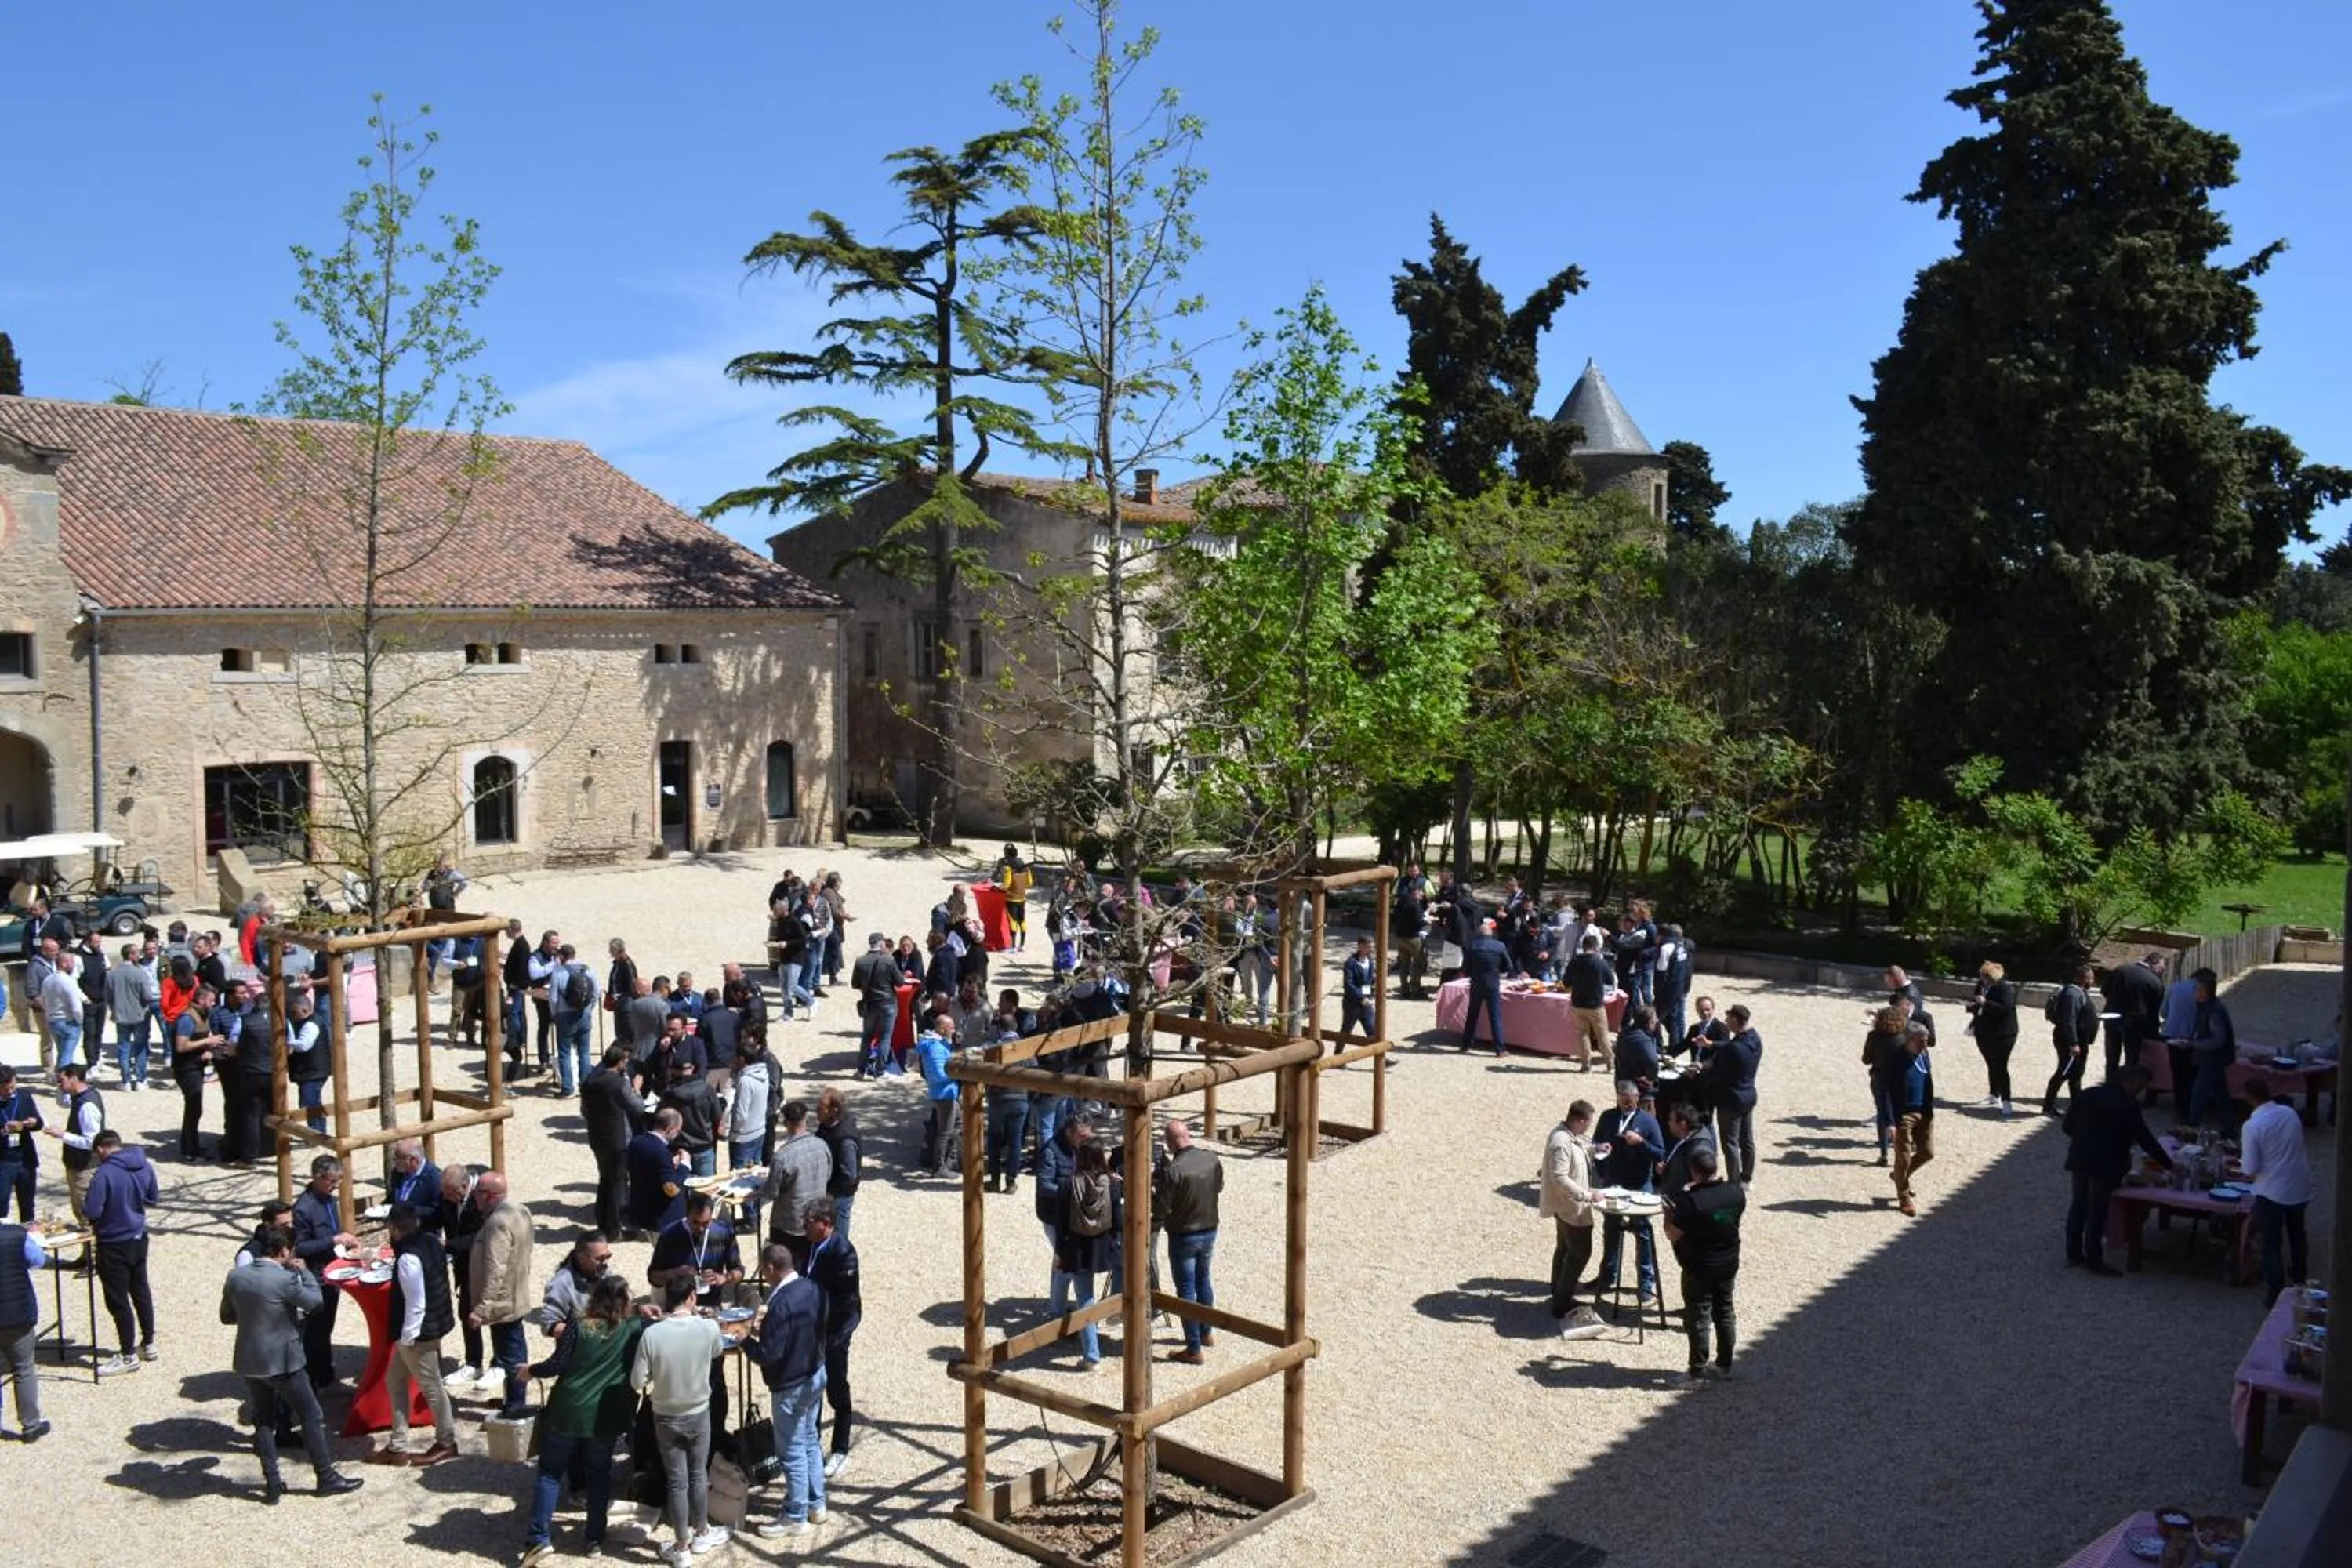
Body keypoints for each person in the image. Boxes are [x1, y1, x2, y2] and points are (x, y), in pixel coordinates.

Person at [220, 1225, 365, 1503]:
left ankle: (272, 1483)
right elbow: (315, 1304)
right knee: (311, 1415)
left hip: (250, 1360)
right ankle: (325, 1476)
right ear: (283, 1251)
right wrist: (307, 1274)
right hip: (283, 1360)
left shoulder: (236, 1277)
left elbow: (227, 1316)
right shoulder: (284, 1280)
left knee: (263, 1419)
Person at [520, 1274, 644, 1565]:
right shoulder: (635, 1328)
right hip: (606, 1415)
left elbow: (557, 1365)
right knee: (599, 1474)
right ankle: (594, 1538)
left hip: (568, 1410)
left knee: (550, 1474)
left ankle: (539, 1538)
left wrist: (530, 1370)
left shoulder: (578, 1325)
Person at [631, 1274, 731, 1566]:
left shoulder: (652, 1334)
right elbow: (716, 1353)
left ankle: (682, 1545)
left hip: (665, 1413)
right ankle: (702, 1531)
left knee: (677, 1479)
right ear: (691, 1297)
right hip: (699, 1410)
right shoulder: (708, 1328)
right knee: (698, 1473)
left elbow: (638, 1381)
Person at [751, 1242, 829, 1542]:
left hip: (791, 1385)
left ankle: (795, 1515)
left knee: (792, 1450)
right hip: (815, 1374)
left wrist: (745, 1338)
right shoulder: (813, 1288)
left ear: (771, 1268)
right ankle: (816, 1503)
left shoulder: (781, 1303)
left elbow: (767, 1354)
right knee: (810, 1440)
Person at [2063, 1065, 2172, 1273]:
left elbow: (2067, 1127)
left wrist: (2085, 1138)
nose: (2140, 1092)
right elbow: (2145, 1138)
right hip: (2106, 1163)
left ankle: (2074, 1253)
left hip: (2080, 1157)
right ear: (2129, 1082)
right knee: (2097, 1210)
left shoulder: (2086, 1095)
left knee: (2079, 1205)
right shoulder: (2127, 1104)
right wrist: (2169, 1165)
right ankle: (2094, 1259)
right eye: (2140, 1087)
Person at [378, 1202, 460, 1465]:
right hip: (433, 1325)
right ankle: (397, 1443)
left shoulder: (408, 1258)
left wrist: (407, 1339)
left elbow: (416, 1303)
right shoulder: (432, 1242)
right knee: (394, 1380)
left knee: (432, 1387)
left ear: (393, 1228)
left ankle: (446, 1442)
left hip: (418, 1335)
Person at [1663, 1143, 1744, 1384]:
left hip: (1699, 1266)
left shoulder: (1691, 1201)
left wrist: (1668, 1214)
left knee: (1698, 1316)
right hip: (1728, 1261)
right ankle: (1724, 1365)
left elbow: (1673, 1234)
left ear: (1694, 1172)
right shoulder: (1735, 1193)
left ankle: (1696, 1372)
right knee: (1725, 1312)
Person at [84, 1130, 159, 1373]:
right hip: (139, 1237)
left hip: (112, 1242)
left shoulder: (104, 1173)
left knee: (118, 1299)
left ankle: (127, 1355)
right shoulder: (144, 1165)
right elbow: (153, 1198)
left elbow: (93, 1210)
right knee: (141, 1291)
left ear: (101, 1149)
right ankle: (148, 1343)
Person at [2238, 1078, 2312, 1307]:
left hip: (2272, 1191)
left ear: (2250, 1098)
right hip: (2298, 1184)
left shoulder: (2253, 1125)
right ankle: (2300, 1280)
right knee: (2297, 1234)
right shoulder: (2289, 1114)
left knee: (2272, 1243)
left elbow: (2250, 1168)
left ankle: (2275, 1290)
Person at [469, 1171, 537, 1416]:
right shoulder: (521, 1211)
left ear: (488, 1196)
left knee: (511, 1358)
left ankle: (515, 1407)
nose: (474, 1197)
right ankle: (513, 1398)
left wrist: (482, 1308)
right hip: (516, 1295)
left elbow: (495, 1269)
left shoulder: (498, 1222)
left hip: (503, 1303)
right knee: (513, 1352)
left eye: (477, 1192)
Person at [1156, 1119, 1222, 1363]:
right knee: (1204, 1280)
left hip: (1184, 1234)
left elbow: (1162, 1207)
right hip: (1209, 1229)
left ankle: (1193, 1349)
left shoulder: (1174, 1170)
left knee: (1186, 1289)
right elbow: (1219, 1187)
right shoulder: (1212, 1159)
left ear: (1171, 1143)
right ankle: (1206, 1333)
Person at [802, 1198, 860, 1477]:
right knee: (811, 1390)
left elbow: (846, 1304)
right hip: (812, 1331)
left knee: (837, 1389)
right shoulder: (811, 1245)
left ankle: (840, 1449)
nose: (803, 1228)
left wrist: (832, 1338)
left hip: (835, 1333)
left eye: (808, 1223)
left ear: (825, 1225)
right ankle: (812, 1443)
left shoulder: (843, 1253)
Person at [1592, 1081, 1664, 1305]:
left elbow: (1660, 1152)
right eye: (1621, 1098)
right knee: (1611, 1229)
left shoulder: (1648, 1121)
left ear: (1637, 1097)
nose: (1625, 1102)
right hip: (1613, 1184)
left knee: (1642, 1232)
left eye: (1629, 1099)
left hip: (1639, 1185)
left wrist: (1641, 1143)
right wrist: (1603, 1169)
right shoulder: (1607, 1117)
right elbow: (1596, 1144)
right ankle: (1608, 1276)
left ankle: (1646, 1284)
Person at [1540, 1099, 1605, 1339]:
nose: (1588, 1128)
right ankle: (1562, 1300)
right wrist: (1586, 1195)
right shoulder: (1561, 1142)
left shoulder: (1566, 1135)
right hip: (1571, 1207)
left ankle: (1558, 1291)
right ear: (1580, 1121)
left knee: (1564, 1249)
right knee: (1578, 1253)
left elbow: (1578, 1148)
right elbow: (1560, 1176)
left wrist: (1595, 1150)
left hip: (1567, 1206)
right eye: (1587, 1123)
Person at [1054, 1142, 1121, 1367]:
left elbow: (1061, 1225)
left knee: (1085, 1299)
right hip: (1104, 1247)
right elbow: (1118, 1220)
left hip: (1078, 1248)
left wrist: (1060, 1254)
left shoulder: (1067, 1185)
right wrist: (1115, 1241)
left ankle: (1092, 1355)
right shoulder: (1112, 1184)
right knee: (1124, 1275)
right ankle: (1116, 1314)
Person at [581, 1045, 645, 1242]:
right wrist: (637, 1090)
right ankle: (614, 1230)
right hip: (618, 1140)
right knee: (618, 1184)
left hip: (597, 1137)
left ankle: (602, 1222)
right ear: (620, 1063)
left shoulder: (590, 1081)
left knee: (604, 1181)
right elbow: (637, 1108)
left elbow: (584, 1111)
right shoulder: (619, 1084)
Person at [1876, 1022, 1936, 1216]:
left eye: (1926, 1041)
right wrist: (1890, 1122)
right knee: (1902, 1157)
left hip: (1924, 1112)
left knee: (1927, 1153)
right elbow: (1883, 1091)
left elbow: (1927, 1081)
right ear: (1910, 1040)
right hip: (1902, 1115)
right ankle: (1904, 1197)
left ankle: (1899, 1177)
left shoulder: (1924, 1055)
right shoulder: (1894, 1060)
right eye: (1922, 1042)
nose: (1925, 1045)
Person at [764, 1100, 833, 1269]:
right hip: (817, 1220)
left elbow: (772, 1192)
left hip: (790, 1224)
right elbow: (828, 1176)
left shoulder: (783, 1156)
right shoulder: (822, 1146)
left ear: (786, 1123)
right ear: (805, 1119)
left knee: (786, 1268)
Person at [650, 1192, 742, 1311]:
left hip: (710, 1307)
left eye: (705, 1223)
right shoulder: (670, 1235)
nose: (700, 1228)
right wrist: (674, 1273)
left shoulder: (724, 1232)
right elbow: (653, 1276)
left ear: (712, 1216)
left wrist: (724, 1277)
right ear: (686, 1215)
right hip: (679, 1308)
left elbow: (739, 1270)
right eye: (695, 1222)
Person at [0, 1213, 47, 1441]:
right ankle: (30, 1425)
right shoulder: (17, 1236)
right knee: (24, 1368)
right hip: (18, 1314)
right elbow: (38, 1260)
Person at [1704, 1005, 1762, 1184]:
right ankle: (1746, 1178)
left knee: (1730, 1144)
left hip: (1730, 1101)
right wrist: (1712, 1044)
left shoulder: (1733, 1050)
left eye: (1729, 1019)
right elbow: (1732, 1044)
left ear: (1736, 1020)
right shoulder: (1755, 1039)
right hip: (1748, 1096)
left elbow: (1718, 1073)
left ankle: (1734, 1182)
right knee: (1747, 1140)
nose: (1726, 1022)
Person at [2040, 964, 2100, 1117]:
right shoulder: (2072, 995)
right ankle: (2048, 1105)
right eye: (2091, 977)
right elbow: (2069, 1019)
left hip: (2079, 1040)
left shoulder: (2079, 992)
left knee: (2076, 1073)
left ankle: (2077, 1106)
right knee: (2064, 1071)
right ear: (2083, 979)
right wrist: (2073, 1043)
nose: (2093, 980)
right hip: (2071, 1041)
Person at [2185, 967, 2238, 1129]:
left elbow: (2218, 1040)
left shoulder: (2214, 1010)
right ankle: (2229, 1129)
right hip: (2215, 1057)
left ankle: (2192, 1127)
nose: (2193, 991)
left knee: (2199, 1094)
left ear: (2204, 991)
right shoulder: (2207, 1006)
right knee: (2220, 1094)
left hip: (2213, 1058)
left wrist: (2193, 1044)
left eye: (2197, 988)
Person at [1966, 961, 2020, 1117]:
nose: (1980, 978)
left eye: (1983, 976)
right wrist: (1973, 1007)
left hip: (2003, 1033)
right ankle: (1993, 1094)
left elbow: (2005, 1008)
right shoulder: (1982, 986)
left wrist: (1986, 1003)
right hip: (1984, 1030)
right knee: (1991, 1062)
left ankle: (2007, 1101)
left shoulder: (2005, 988)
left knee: (2001, 1066)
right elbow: (1979, 1002)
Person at [2103, 951, 2168, 1079]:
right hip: (2136, 1026)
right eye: (2162, 967)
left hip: (2112, 1019)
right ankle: (2127, 1090)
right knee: (2132, 1059)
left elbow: (2105, 991)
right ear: (2154, 963)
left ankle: (2109, 1087)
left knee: (2111, 1058)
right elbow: (2154, 1011)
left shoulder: (2120, 970)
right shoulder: (2155, 982)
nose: (2163, 971)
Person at [627, 1109, 691, 1241]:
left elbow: (650, 1170)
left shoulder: (636, 1142)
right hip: (664, 1217)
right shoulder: (661, 1152)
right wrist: (685, 1166)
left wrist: (670, 1165)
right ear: (669, 1129)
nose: (678, 1134)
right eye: (678, 1130)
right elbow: (671, 1189)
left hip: (644, 1211)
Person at [106, 940, 158, 1092]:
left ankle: (126, 1080)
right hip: (139, 1015)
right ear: (130, 955)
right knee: (140, 1047)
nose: (139, 955)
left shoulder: (112, 974)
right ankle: (140, 1080)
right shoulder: (140, 972)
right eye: (136, 952)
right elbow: (148, 995)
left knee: (123, 1048)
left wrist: (114, 1009)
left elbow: (108, 996)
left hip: (121, 1015)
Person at [547, 943, 599, 1097]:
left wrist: (554, 1014)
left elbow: (553, 998)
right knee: (584, 1052)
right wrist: (590, 1009)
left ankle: (568, 1089)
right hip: (584, 1014)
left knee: (564, 1052)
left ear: (562, 956)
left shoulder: (558, 972)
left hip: (565, 1015)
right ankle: (585, 1087)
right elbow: (596, 992)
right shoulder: (587, 969)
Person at [659, 1058, 723, 1179]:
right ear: (692, 1069)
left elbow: (661, 1118)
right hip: (703, 1147)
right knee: (706, 1191)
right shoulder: (707, 1090)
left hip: (679, 1149)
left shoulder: (669, 1094)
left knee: (680, 1190)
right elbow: (717, 1118)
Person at [849, 932, 900, 1080]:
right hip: (887, 1003)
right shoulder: (888, 961)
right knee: (885, 1037)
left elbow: (855, 984)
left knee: (866, 1036)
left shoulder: (860, 961)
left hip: (869, 1003)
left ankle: (860, 1070)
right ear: (881, 944)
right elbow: (900, 982)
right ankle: (880, 1072)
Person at [915, 1010, 960, 1174]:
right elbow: (938, 1075)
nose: (954, 1031)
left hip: (948, 1092)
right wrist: (958, 1074)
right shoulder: (934, 1048)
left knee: (957, 1124)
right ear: (942, 1029)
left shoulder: (940, 1044)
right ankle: (939, 1166)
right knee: (945, 1131)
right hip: (944, 1094)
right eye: (951, 1028)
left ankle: (951, 1160)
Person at [1457, 918, 1511, 1056]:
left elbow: (1466, 968)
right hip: (1492, 983)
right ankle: (1500, 1049)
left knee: (1472, 1014)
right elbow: (1508, 966)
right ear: (1491, 933)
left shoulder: (1471, 946)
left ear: (1478, 934)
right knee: (1495, 1016)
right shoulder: (1500, 946)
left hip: (1476, 983)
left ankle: (1466, 1044)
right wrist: (1497, 970)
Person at [815, 1087, 862, 1243]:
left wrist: (830, 1192)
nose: (816, 1111)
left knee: (838, 1238)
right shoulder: (827, 1125)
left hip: (840, 1196)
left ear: (834, 1110)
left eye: (821, 1108)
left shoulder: (845, 1141)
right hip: (831, 1191)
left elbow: (849, 1177)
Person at [1564, 933, 1613, 1072]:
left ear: (1583, 946)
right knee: (1602, 1034)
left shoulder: (1574, 961)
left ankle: (1586, 1064)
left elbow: (1566, 982)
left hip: (1578, 1003)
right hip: (1596, 1004)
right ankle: (1610, 1063)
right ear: (1596, 947)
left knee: (1582, 1034)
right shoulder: (1600, 962)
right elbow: (1609, 980)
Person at [0, 1065, 42, 1224]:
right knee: (1, 1204)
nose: (11, 1091)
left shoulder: (24, 1097)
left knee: (28, 1204)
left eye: (13, 1086)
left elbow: (39, 1123)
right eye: (6, 1089)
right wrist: (4, 1130)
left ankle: (28, 1239)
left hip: (25, 1159)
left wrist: (33, 1123)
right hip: (3, 1161)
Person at [1654, 1099, 1716, 1201]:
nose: (1669, 1123)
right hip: (1676, 1201)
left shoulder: (1700, 1148)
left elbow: (1706, 1178)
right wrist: (1666, 1171)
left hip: (1686, 1205)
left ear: (1682, 1124)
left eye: (1671, 1120)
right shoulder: (1685, 1138)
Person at [1613, 1004, 1662, 1091]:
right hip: (1636, 1085)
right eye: (1655, 1020)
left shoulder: (1625, 1032)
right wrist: (1651, 1078)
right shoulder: (1644, 1040)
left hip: (1621, 1079)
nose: (1657, 1021)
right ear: (1650, 1022)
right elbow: (1652, 1062)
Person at [1339, 936, 1377, 1041]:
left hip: (1366, 1004)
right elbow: (1348, 984)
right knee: (1346, 1031)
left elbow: (1367, 982)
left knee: (1372, 1030)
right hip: (1352, 1004)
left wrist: (1368, 995)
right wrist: (1361, 997)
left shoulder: (1370, 961)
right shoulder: (1350, 963)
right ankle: (1338, 1053)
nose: (1371, 949)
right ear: (1360, 946)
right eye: (1368, 947)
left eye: (1372, 947)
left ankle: (1378, 1056)